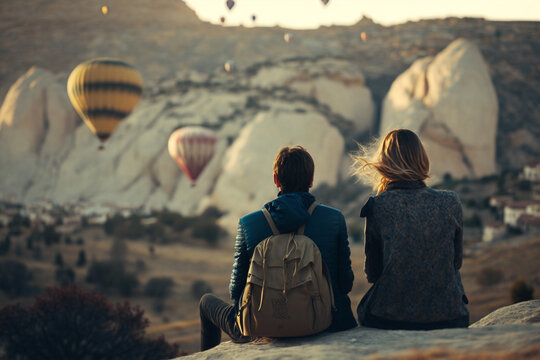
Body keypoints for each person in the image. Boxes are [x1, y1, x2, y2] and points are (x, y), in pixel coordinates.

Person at [199, 146, 357, 351]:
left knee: (206, 302)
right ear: (311, 180)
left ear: (276, 179)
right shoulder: (334, 218)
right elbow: (346, 284)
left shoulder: (248, 223)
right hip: (329, 323)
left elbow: (236, 290)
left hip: (262, 326)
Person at [352, 129, 469, 330]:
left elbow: (373, 273)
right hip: (450, 316)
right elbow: (455, 263)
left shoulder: (378, 206)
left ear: (385, 163)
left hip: (388, 317)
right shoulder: (451, 201)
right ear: (422, 159)